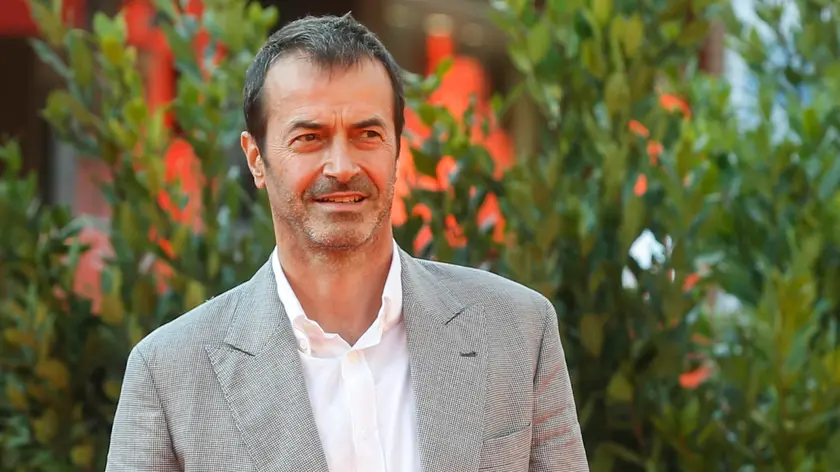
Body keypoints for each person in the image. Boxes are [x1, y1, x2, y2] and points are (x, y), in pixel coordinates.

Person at [105, 13, 589, 472]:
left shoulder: (518, 331)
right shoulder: (168, 373)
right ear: (255, 159)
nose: (341, 167)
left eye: (367, 134)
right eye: (309, 137)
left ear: (397, 147)